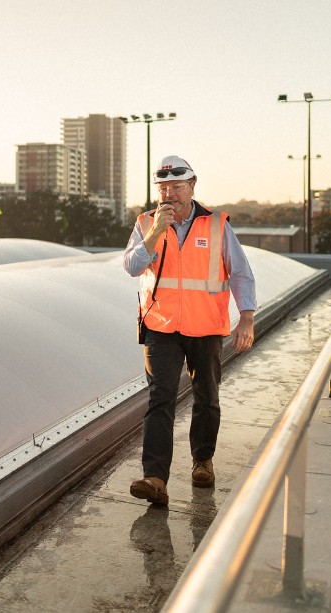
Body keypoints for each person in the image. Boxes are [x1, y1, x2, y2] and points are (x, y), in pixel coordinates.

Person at [122, 155, 256, 506]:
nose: (169, 194)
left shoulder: (216, 225)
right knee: (159, 399)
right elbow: (132, 267)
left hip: (206, 326)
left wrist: (247, 317)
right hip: (160, 326)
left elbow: (240, 271)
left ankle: (202, 460)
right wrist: (155, 233)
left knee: (206, 397)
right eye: (163, 188)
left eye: (176, 187)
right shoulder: (146, 223)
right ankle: (155, 478)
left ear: (192, 186)